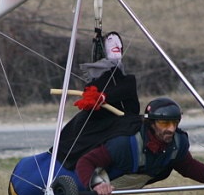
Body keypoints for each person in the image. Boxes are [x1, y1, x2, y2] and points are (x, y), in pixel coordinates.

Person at [74, 97, 204, 195]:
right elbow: (86, 162)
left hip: (125, 181)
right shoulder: (124, 143)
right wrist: (97, 184)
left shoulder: (178, 142)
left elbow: (188, 166)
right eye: (164, 123)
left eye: (175, 123)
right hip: (88, 180)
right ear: (151, 123)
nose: (171, 129)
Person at [54, 31, 141, 169]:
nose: (116, 44)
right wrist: (92, 98)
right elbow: (91, 93)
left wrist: (104, 96)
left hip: (124, 118)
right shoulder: (97, 78)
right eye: (111, 41)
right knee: (77, 125)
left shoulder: (127, 80)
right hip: (101, 120)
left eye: (118, 42)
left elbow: (124, 89)